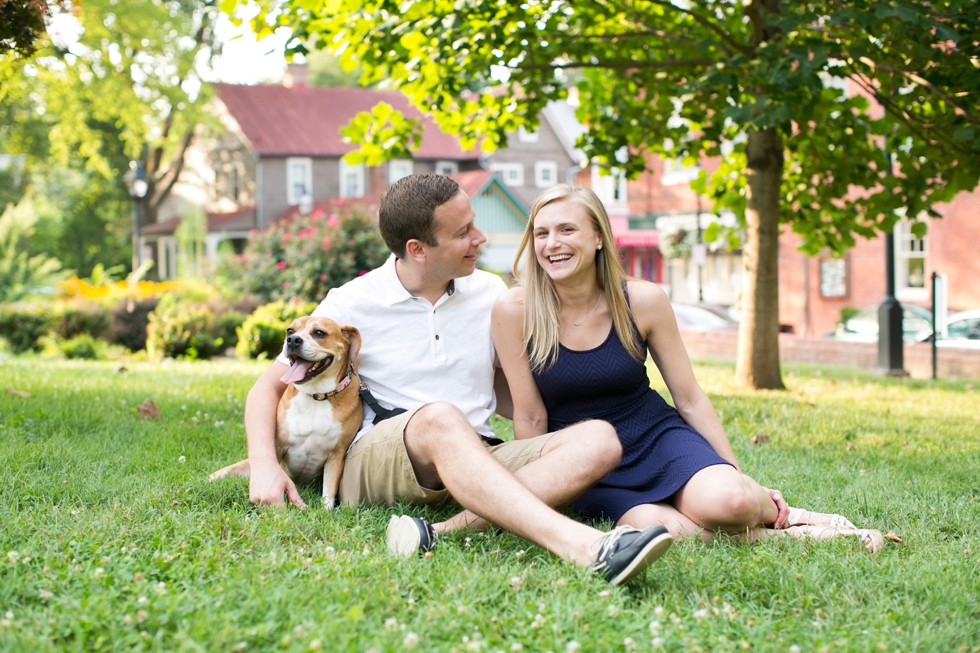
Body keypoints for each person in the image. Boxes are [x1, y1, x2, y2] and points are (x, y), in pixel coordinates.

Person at [242, 173, 674, 585]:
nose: (480, 239)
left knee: (598, 438)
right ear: (418, 249)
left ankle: (442, 530)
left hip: (475, 456)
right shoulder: (351, 302)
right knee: (440, 418)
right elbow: (269, 388)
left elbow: (515, 393)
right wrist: (264, 466)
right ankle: (584, 546)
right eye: (464, 231)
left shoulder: (490, 294)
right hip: (378, 461)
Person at [491, 183, 883, 551]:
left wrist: (737, 475)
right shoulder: (515, 311)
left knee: (730, 502)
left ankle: (783, 512)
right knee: (668, 531)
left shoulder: (643, 300)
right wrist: (544, 498)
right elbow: (530, 416)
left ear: (598, 238)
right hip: (587, 463)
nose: (552, 244)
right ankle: (805, 537)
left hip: (655, 437)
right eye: (541, 234)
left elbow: (690, 398)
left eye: (566, 230)